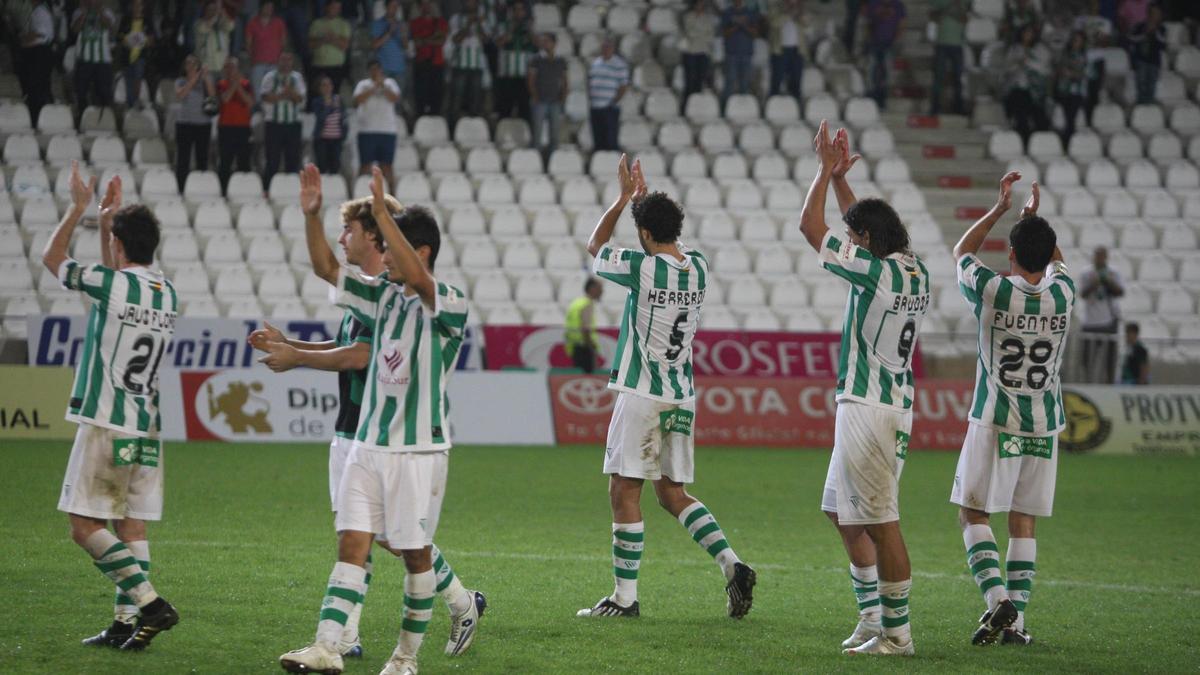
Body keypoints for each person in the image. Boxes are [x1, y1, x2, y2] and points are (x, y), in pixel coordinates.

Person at [253, 164, 485, 664]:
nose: (383, 251)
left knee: (415, 555)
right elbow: (326, 270)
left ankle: (405, 658)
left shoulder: (449, 304)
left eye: (393, 241)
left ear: (418, 251)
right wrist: (312, 217)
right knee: (352, 543)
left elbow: (420, 281)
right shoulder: (382, 300)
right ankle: (328, 646)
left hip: (419, 450)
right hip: (367, 445)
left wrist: (381, 210)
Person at [576, 155, 757, 621]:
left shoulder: (641, 266)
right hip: (681, 393)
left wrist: (622, 199)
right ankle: (732, 565)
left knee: (623, 489)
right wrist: (648, 206)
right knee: (672, 492)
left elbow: (595, 245)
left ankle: (624, 599)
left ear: (644, 235)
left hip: (642, 392)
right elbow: (668, 241)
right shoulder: (697, 265)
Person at [798, 123, 928, 656]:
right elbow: (873, 231)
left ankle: (898, 637)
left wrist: (824, 173)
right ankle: (873, 617)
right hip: (886, 404)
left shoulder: (873, 274)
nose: (850, 243)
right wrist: (848, 187)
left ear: (867, 244)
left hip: (870, 409)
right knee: (839, 510)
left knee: (882, 519)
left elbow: (810, 226)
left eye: (856, 238)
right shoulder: (915, 270)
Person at [41, 161, 179, 651]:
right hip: (147, 428)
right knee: (130, 522)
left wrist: (80, 209)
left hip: (107, 421)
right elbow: (117, 282)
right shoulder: (167, 294)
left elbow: (51, 256)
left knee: (84, 526)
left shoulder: (114, 285)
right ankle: (127, 625)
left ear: (120, 249)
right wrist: (108, 223)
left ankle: (150, 604)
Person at [950, 172, 1073, 647]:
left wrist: (1000, 209)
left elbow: (962, 252)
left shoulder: (993, 290)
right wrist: (1035, 221)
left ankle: (998, 599)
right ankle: (1016, 623)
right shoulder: (1065, 293)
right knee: (1023, 520)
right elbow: (1055, 261)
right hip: (1044, 425)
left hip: (995, 419)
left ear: (1012, 254)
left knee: (972, 513)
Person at [1078, 246, 1124, 384]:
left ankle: (1108, 383)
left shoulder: (1113, 272)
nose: (1099, 259)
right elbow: (1083, 294)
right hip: (1090, 321)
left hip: (1108, 320)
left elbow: (1120, 292)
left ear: (1106, 257)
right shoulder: (1086, 273)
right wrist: (1094, 283)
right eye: (1097, 256)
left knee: (1109, 358)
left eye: (1102, 256)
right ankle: (1086, 381)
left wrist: (1108, 281)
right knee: (1087, 358)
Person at [261, 52, 306, 187]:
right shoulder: (270, 77)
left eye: (288, 60)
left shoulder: (297, 78)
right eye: (283, 60)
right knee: (272, 159)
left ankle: (291, 189)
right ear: (278, 61)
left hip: (293, 124)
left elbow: (300, 98)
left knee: (293, 158)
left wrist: (288, 93)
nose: (285, 63)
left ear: (292, 62)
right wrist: (284, 95)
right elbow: (265, 97)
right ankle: (268, 189)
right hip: (273, 123)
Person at [353, 60, 401, 185]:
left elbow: (394, 98)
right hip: (367, 130)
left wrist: (383, 86)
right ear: (369, 71)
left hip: (387, 130)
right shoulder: (363, 84)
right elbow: (358, 99)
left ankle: (392, 198)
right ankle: (359, 197)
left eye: (377, 69)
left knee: (387, 166)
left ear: (381, 71)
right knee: (365, 165)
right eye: (372, 69)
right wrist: (374, 87)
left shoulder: (390, 83)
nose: (375, 72)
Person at [1004, 25, 1052, 144]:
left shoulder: (1041, 49)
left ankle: (1039, 145)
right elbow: (1008, 68)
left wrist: (1028, 62)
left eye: (1030, 33)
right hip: (1019, 89)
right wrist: (1018, 64)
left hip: (1036, 91)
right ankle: (1023, 144)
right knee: (1022, 119)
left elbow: (1045, 70)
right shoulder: (1014, 49)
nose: (1027, 36)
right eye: (1025, 33)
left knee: (1041, 121)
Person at [174, 55, 215, 193]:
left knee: (202, 158)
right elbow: (181, 94)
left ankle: (201, 187)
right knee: (183, 159)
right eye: (188, 64)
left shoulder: (204, 81)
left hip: (203, 124)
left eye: (194, 63)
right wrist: (194, 78)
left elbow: (212, 96)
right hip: (184, 123)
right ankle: (181, 187)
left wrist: (205, 77)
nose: (191, 66)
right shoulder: (180, 81)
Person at [447, 0, 493, 121]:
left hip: (477, 65)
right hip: (459, 64)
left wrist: (478, 25)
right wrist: (468, 25)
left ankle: (474, 129)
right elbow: (455, 39)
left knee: (475, 101)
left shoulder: (483, 20)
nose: (470, 4)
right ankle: (453, 129)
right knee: (456, 100)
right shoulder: (455, 19)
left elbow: (486, 41)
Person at [71, 0, 117, 116]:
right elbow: (75, 29)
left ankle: (105, 119)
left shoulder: (107, 12)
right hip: (84, 60)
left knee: (104, 93)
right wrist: (85, 13)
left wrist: (99, 12)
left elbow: (110, 28)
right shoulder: (78, 12)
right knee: (81, 92)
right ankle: (82, 118)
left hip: (103, 61)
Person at [216, 56, 254, 194]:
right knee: (225, 161)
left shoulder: (246, 84)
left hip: (243, 127)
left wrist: (238, 86)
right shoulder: (221, 84)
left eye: (233, 67)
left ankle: (244, 191)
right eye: (228, 67)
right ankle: (223, 190)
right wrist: (234, 85)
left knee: (243, 161)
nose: (230, 70)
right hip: (226, 126)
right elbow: (225, 99)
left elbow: (250, 102)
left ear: (238, 69)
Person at [528, 32, 567, 160]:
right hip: (540, 100)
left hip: (555, 100)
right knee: (537, 132)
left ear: (554, 43)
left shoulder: (560, 60)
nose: (544, 44)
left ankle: (553, 160)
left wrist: (563, 96)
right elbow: (531, 79)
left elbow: (565, 80)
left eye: (547, 41)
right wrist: (534, 96)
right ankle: (535, 160)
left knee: (555, 133)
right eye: (543, 41)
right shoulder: (536, 59)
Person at [494, 1, 534, 121]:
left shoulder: (530, 27)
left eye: (520, 10)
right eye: (515, 10)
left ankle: (525, 136)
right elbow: (498, 43)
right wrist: (511, 29)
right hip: (507, 74)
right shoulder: (503, 26)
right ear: (510, 12)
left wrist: (530, 31)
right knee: (505, 109)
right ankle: (502, 134)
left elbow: (537, 45)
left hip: (524, 75)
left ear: (525, 12)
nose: (518, 13)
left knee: (524, 109)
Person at [17, 0, 55, 127]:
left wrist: (23, 38)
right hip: (38, 53)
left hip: (40, 53)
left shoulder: (40, 12)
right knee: (38, 89)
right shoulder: (38, 11)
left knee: (37, 89)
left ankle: (37, 120)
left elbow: (41, 33)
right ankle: (37, 118)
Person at [588, 39, 629, 152]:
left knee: (611, 140)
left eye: (608, 47)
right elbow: (591, 81)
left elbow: (623, 86)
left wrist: (613, 101)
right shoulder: (596, 63)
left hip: (609, 107)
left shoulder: (619, 64)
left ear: (613, 49)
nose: (606, 50)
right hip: (595, 106)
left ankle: (613, 165)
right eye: (604, 47)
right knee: (598, 140)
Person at [864, 0, 906, 111]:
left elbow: (901, 25)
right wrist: (869, 41)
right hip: (875, 43)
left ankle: (882, 99)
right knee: (871, 70)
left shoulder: (898, 5)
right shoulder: (874, 3)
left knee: (886, 72)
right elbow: (869, 23)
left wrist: (895, 41)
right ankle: (871, 96)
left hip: (889, 44)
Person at [410, 0, 448, 116]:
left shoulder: (441, 22)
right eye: (423, 4)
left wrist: (425, 40)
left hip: (437, 63)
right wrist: (433, 38)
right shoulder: (415, 22)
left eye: (428, 4)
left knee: (436, 95)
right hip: (421, 63)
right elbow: (417, 42)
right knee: (420, 96)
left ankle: (435, 120)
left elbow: (441, 40)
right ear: (420, 7)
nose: (426, 7)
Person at [245, 1, 287, 105]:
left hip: (274, 63)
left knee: (274, 91)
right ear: (261, 8)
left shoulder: (278, 22)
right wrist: (252, 59)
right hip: (258, 63)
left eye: (271, 7)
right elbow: (248, 43)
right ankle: (259, 112)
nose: (269, 9)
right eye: (267, 7)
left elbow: (283, 42)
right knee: (258, 92)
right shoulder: (253, 23)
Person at [929, 0, 967, 116]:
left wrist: (958, 6)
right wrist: (948, 8)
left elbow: (964, 19)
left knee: (958, 78)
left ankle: (958, 107)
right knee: (938, 77)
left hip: (957, 44)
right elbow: (932, 16)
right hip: (941, 43)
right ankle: (935, 107)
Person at [116, 0, 154, 109]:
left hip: (140, 56)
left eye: (139, 5)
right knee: (128, 82)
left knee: (138, 79)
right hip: (127, 57)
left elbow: (152, 40)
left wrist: (143, 41)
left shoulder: (147, 21)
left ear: (143, 7)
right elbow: (119, 36)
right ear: (131, 6)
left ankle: (136, 102)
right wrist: (126, 41)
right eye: (135, 5)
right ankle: (130, 104)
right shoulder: (125, 19)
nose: (137, 7)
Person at [720, 0, 760, 105]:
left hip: (746, 53)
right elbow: (724, 33)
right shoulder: (727, 13)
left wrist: (744, 25)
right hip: (731, 53)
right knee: (730, 83)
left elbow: (755, 34)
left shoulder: (750, 13)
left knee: (745, 84)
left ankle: (744, 109)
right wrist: (736, 25)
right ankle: (725, 110)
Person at [767, 0, 807, 102]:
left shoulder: (801, 9)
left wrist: (799, 14)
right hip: (780, 51)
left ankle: (796, 107)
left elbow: (807, 25)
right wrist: (789, 13)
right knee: (777, 80)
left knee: (796, 81)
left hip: (797, 51)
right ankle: (772, 106)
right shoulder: (776, 8)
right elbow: (774, 23)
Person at [309, 0, 352, 93]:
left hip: (336, 67)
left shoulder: (343, 24)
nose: (336, 10)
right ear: (327, 7)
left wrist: (333, 38)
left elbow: (345, 46)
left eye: (338, 8)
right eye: (333, 7)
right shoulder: (316, 23)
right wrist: (323, 40)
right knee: (317, 94)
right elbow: (310, 45)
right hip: (318, 66)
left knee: (335, 95)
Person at [1055, 31, 1089, 145]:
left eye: (1079, 41)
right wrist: (1071, 73)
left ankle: (1068, 143)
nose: (1077, 43)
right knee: (1067, 118)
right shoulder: (1064, 54)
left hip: (1077, 91)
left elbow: (1083, 73)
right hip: (1065, 90)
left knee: (1071, 119)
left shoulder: (1085, 56)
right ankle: (1068, 142)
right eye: (1075, 40)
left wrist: (1073, 73)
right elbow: (1061, 70)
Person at [1127, 4, 1165, 105]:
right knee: (1141, 84)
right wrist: (1145, 33)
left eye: (1158, 14)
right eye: (1154, 13)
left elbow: (1163, 44)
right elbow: (1132, 39)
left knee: (1152, 84)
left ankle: (1150, 106)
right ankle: (1141, 106)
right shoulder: (1139, 26)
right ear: (1149, 14)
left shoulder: (1161, 28)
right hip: (1141, 60)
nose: (1156, 16)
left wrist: (1155, 31)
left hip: (1154, 61)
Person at [371, 0, 408, 101]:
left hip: (400, 69)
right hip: (384, 69)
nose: (394, 9)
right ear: (386, 7)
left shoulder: (402, 24)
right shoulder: (377, 24)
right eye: (392, 6)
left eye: (396, 6)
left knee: (398, 101)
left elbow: (406, 46)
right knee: (383, 100)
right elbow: (375, 45)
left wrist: (404, 34)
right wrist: (389, 32)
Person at [564, 278, 603, 373]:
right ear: (592, 288)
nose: (602, 291)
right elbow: (585, 328)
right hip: (585, 348)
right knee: (587, 378)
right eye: (600, 288)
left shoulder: (576, 303)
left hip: (574, 346)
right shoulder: (587, 304)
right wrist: (591, 347)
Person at [682, 1, 716, 108]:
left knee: (700, 81)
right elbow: (690, 32)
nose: (700, 6)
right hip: (690, 52)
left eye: (702, 5)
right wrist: (702, 33)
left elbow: (710, 36)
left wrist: (699, 33)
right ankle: (686, 107)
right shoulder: (688, 17)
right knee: (690, 82)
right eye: (698, 4)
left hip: (703, 53)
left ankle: (696, 106)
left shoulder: (708, 19)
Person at [312, 75, 348, 175]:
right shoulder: (317, 101)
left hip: (336, 139)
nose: (327, 87)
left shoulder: (338, 99)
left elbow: (344, 118)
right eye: (324, 85)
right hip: (322, 139)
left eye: (329, 84)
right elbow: (320, 117)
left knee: (335, 165)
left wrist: (344, 134)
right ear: (319, 88)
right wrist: (328, 107)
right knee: (322, 166)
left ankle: (334, 187)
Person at [194, 1, 235, 74]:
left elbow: (230, 26)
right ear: (205, 11)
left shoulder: (221, 23)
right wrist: (216, 15)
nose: (213, 12)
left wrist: (224, 14)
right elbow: (205, 28)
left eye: (215, 10)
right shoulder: (199, 24)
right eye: (210, 10)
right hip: (206, 66)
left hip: (222, 65)